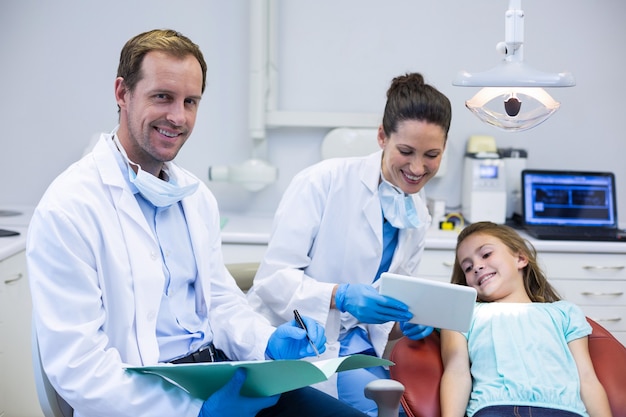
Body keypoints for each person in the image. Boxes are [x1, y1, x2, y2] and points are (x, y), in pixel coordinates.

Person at [26, 29, 371, 417]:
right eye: (163, 97)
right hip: (146, 399)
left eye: (190, 101)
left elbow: (220, 302)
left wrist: (267, 341)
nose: (178, 116)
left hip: (223, 377)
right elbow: (79, 368)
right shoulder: (70, 208)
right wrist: (197, 413)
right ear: (122, 93)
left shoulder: (194, 197)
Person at [246, 72, 452, 415]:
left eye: (432, 154)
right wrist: (340, 295)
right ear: (382, 136)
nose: (418, 167)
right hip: (301, 340)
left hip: (356, 349)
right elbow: (272, 280)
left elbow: (385, 306)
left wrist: (407, 321)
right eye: (406, 151)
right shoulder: (322, 182)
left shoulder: (417, 213)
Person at [440, 222, 613, 417]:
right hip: (496, 409)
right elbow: (456, 372)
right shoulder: (464, 312)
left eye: (486, 254)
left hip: (566, 411)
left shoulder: (564, 312)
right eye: (468, 267)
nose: (477, 267)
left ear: (521, 258)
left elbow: (587, 379)